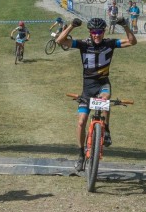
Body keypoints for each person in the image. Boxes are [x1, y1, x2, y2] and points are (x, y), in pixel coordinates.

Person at [55, 17, 137, 172]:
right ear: (90, 32)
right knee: (81, 122)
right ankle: (80, 155)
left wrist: (125, 25)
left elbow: (132, 41)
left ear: (103, 32)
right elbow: (60, 41)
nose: (97, 35)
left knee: (105, 99)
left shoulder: (110, 44)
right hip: (87, 88)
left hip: (103, 84)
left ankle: (106, 130)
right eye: (94, 32)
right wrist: (72, 26)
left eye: (99, 32)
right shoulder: (83, 44)